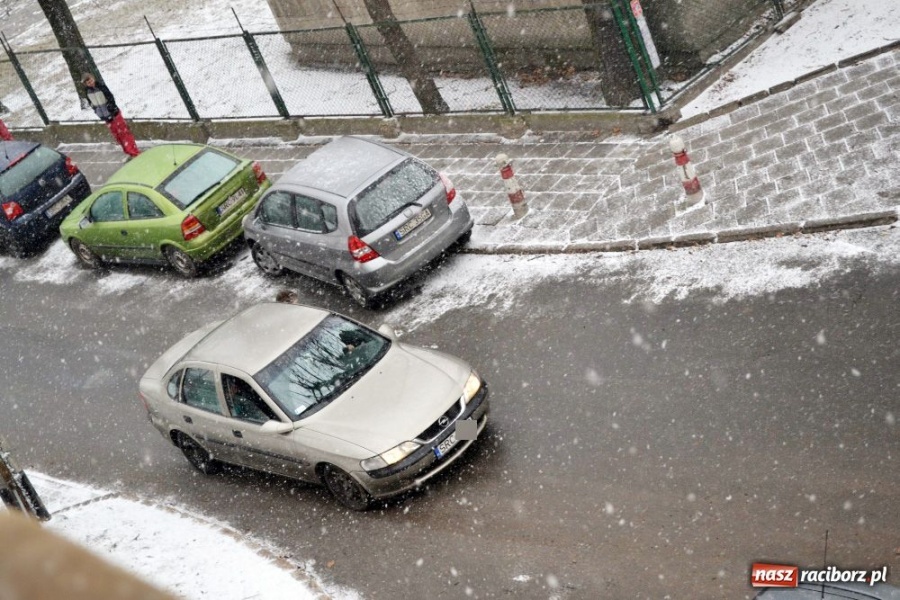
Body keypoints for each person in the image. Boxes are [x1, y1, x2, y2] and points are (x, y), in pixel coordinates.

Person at [81, 72, 140, 158]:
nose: (90, 82)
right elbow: (91, 103)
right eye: (88, 82)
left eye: (90, 80)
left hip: (114, 114)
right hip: (106, 117)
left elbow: (110, 98)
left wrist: (110, 108)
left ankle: (134, 151)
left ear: (93, 78)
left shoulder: (101, 87)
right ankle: (128, 151)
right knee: (117, 135)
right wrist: (97, 111)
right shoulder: (88, 92)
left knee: (124, 133)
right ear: (85, 84)